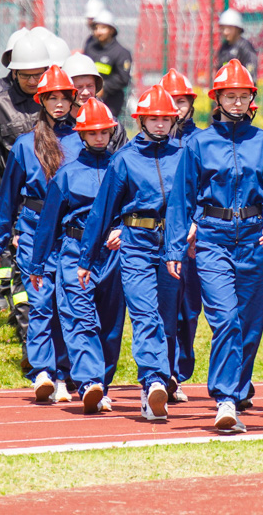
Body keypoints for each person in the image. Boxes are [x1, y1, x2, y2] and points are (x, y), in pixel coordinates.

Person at [165, 59, 263, 433]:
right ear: (217, 99)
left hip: (255, 240)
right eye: (230, 96)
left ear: (252, 99)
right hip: (213, 240)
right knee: (225, 320)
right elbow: (181, 198)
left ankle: (236, 391)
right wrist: (175, 248)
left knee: (251, 325)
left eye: (243, 96)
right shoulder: (198, 144)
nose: (237, 102)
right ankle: (225, 399)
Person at [79, 85, 184, 421]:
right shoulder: (124, 159)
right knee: (144, 314)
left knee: (167, 321)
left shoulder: (184, 155)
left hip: (172, 245)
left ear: (173, 120)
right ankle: (153, 380)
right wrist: (86, 259)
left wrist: (193, 226)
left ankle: (158, 382)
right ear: (140, 121)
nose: (158, 124)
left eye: (164, 118)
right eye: (152, 118)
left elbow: (199, 197)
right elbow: (102, 211)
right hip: (136, 244)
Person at [31, 96, 126, 414]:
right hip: (74, 253)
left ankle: (104, 386)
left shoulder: (122, 167)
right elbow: (47, 224)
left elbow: (138, 208)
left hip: (114, 256)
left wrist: (123, 229)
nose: (99, 138)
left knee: (111, 324)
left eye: (104, 132)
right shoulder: (66, 175)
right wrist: (38, 265)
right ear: (82, 135)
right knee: (81, 319)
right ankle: (89, 382)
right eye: (93, 132)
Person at [0, 31, 57, 372]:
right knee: (24, 280)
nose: (34, 82)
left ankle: (51, 349)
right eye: (27, 76)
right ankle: (30, 346)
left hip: (57, 209)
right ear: (13, 72)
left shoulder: (58, 102)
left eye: (40, 75)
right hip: (17, 203)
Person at [0, 65, 72, 402]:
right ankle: (42, 371)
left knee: (69, 303)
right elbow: (8, 195)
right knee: (39, 303)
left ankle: (66, 374)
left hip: (72, 231)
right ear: (41, 100)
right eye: (51, 97)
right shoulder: (25, 145)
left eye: (64, 97)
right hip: (34, 229)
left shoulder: (83, 141)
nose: (58, 103)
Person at [159, 68, 202, 401]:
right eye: (171, 101)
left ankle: (181, 368)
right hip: (160, 237)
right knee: (164, 307)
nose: (176, 107)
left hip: (198, 239)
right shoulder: (147, 144)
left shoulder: (203, 141)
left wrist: (197, 223)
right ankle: (166, 371)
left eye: (182, 101)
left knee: (189, 309)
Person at [63, 52, 128, 154]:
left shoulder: (112, 124)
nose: (85, 92)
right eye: (79, 87)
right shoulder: (58, 124)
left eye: (90, 86)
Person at [83, 10, 132, 118]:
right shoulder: (90, 48)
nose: (98, 32)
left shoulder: (121, 53)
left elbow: (123, 78)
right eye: (96, 28)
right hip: (88, 96)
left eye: (103, 28)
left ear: (111, 30)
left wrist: (104, 87)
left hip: (111, 100)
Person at [216, 9, 258, 78]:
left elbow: (251, 75)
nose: (225, 32)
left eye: (229, 28)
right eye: (223, 28)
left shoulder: (245, 47)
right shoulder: (223, 48)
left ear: (237, 29)